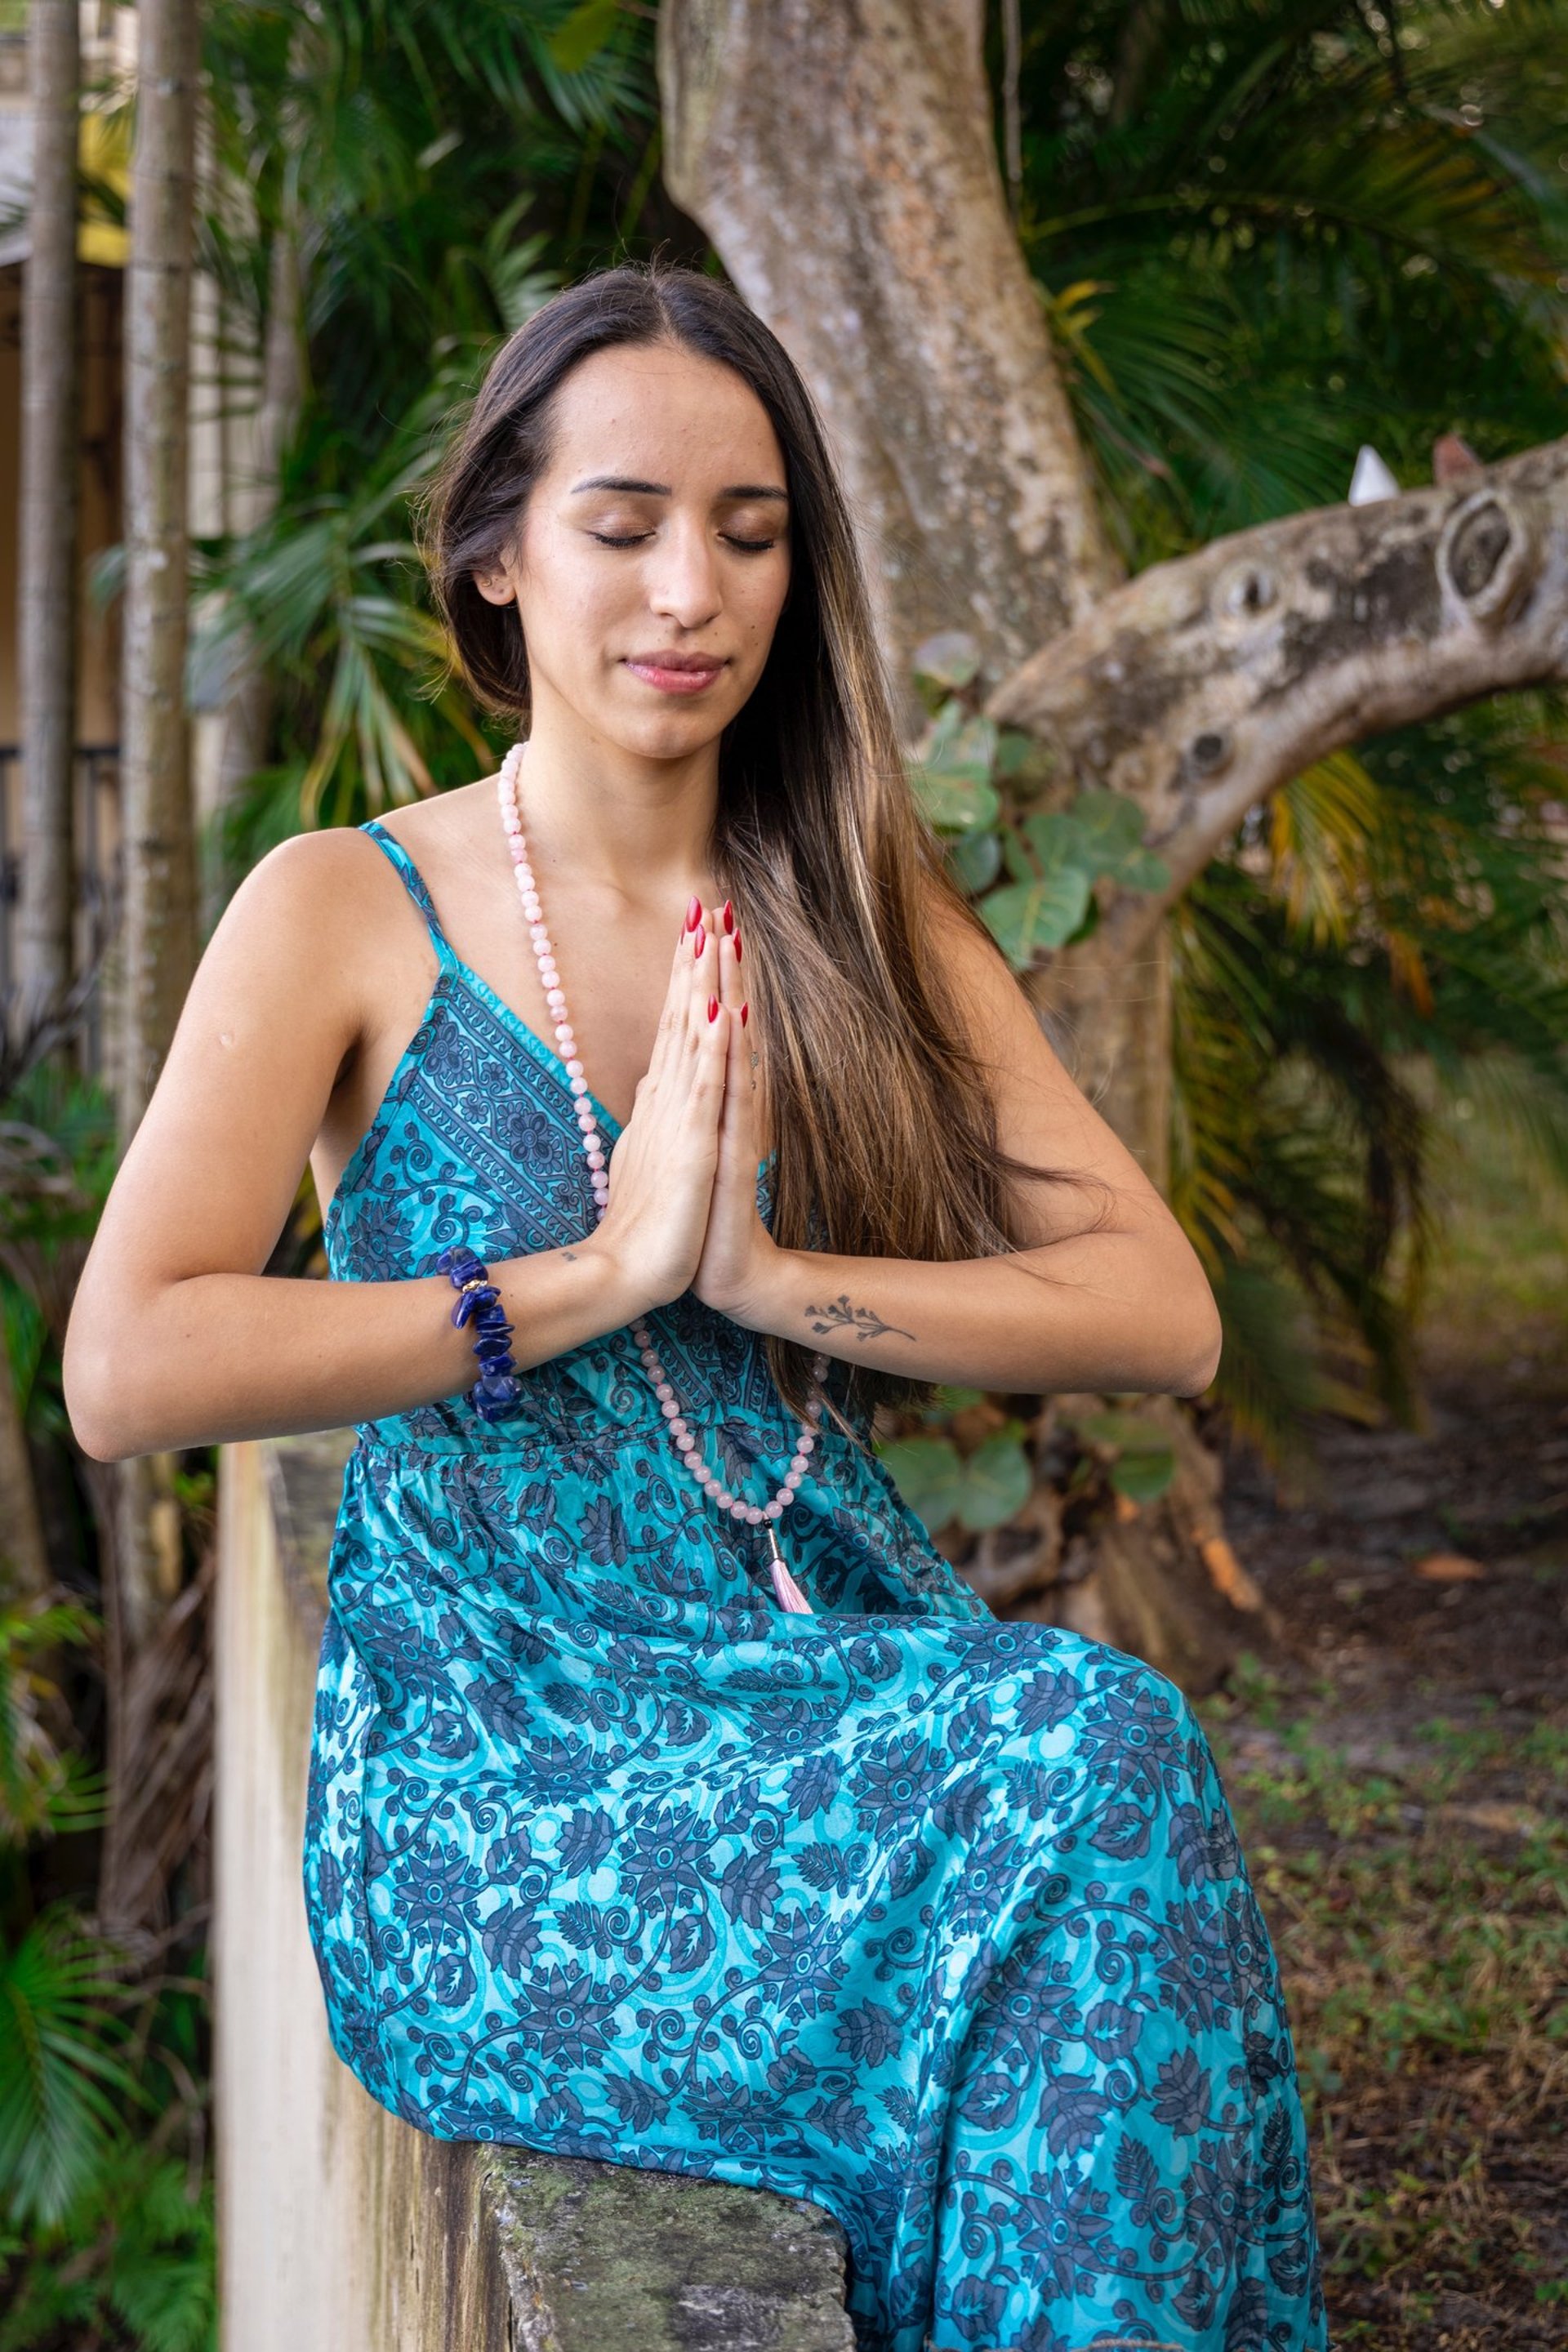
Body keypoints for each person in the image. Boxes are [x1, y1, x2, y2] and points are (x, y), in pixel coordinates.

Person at [65, 260, 1328, 2352]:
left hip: (800, 1673)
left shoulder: (849, 905)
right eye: (624, 524)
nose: (692, 592)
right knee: (1079, 1780)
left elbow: (1160, 1307)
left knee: (1103, 1754)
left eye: (749, 534)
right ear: (494, 559)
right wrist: (587, 1281)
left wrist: (766, 1279)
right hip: (498, 1771)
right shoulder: (343, 909)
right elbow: (130, 1363)